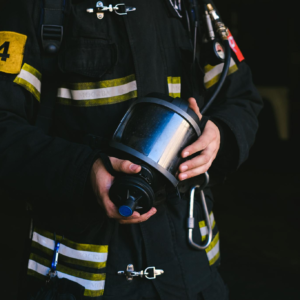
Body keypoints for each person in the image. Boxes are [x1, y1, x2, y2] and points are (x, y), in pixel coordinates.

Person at [0, 0, 262, 299]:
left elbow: (241, 98)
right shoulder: (39, 7)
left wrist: (219, 133)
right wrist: (84, 170)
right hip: (78, 281)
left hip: (191, 272)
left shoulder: (187, 6)